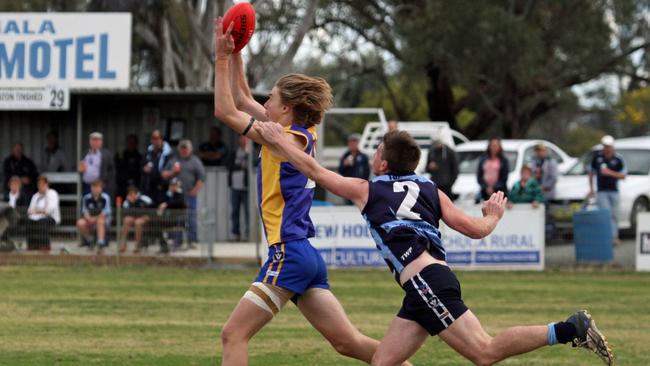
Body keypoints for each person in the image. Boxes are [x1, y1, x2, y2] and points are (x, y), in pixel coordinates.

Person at [255, 122, 614, 366]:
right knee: (382, 362)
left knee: (484, 353)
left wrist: (277, 141)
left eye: (378, 151)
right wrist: (495, 215)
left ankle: (570, 328)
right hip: (427, 284)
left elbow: (315, 171)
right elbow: (476, 230)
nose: (375, 156)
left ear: (381, 161)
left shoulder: (369, 189)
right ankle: (571, 328)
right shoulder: (431, 189)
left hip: (425, 284)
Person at [213, 19, 410, 366]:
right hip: (305, 255)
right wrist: (238, 50)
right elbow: (242, 97)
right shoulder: (293, 132)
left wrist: (221, 58)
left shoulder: (284, 139)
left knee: (233, 334)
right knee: (348, 343)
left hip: (288, 252)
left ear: (286, 108)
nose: (266, 101)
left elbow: (226, 110)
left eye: (271, 98)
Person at [162, 139, 205, 246]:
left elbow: (202, 177)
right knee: (176, 218)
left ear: (190, 150)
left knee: (191, 217)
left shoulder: (195, 161)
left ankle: (192, 240)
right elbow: (163, 174)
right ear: (179, 149)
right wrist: (173, 172)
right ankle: (177, 241)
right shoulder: (173, 160)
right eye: (182, 148)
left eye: (186, 149)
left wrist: (195, 190)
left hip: (189, 195)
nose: (184, 151)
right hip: (176, 196)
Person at [588, 135, 626, 246]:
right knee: (606, 214)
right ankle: (607, 237)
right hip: (602, 191)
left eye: (609, 146)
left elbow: (623, 175)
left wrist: (610, 173)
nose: (607, 148)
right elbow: (591, 172)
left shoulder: (618, 159)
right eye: (605, 146)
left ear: (612, 147)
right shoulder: (597, 158)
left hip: (614, 191)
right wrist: (591, 189)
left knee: (614, 215)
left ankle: (614, 237)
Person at [26, 176, 60, 251]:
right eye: (39, 184)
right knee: (28, 221)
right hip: (35, 217)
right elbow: (29, 210)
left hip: (51, 218)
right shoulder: (35, 196)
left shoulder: (52, 194)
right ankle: (32, 244)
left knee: (42, 221)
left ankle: (45, 245)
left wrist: (37, 211)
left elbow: (49, 210)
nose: (40, 186)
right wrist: (39, 211)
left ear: (46, 184)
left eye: (42, 184)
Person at [154, 178, 187, 253]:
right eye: (172, 185)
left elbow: (179, 203)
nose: (173, 187)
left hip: (177, 220)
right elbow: (160, 201)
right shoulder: (168, 194)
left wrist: (167, 203)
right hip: (167, 219)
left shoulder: (181, 194)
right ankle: (164, 246)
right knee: (154, 224)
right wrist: (168, 195)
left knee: (178, 224)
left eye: (175, 185)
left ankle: (177, 243)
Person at [77, 180, 112, 251]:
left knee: (100, 221)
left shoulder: (105, 197)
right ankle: (90, 241)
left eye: (97, 187)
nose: (95, 189)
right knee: (80, 223)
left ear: (101, 188)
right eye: (94, 187)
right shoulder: (86, 197)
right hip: (90, 219)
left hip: (103, 219)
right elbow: (85, 212)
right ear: (91, 188)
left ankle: (100, 243)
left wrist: (94, 219)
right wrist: (89, 218)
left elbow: (105, 213)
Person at [79, 132, 116, 198]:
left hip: (100, 187)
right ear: (90, 141)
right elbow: (80, 167)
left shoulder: (106, 154)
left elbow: (111, 170)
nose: (95, 142)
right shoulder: (85, 153)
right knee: (86, 203)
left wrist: (105, 182)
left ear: (101, 142)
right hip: (87, 186)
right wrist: (81, 169)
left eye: (97, 140)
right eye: (93, 140)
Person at [119, 185, 153, 253]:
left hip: (146, 218)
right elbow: (125, 213)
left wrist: (137, 200)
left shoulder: (144, 198)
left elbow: (152, 208)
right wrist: (131, 203)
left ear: (136, 193)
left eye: (132, 194)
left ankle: (138, 245)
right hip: (134, 217)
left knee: (138, 222)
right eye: (129, 194)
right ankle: (123, 244)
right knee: (126, 220)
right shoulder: (127, 201)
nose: (131, 196)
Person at [228, 135, 249, 241]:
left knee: (247, 211)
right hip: (235, 186)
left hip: (247, 187)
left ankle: (247, 234)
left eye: (246, 139)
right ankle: (235, 233)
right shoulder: (234, 152)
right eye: (242, 139)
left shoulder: (251, 152)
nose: (244, 141)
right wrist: (240, 166)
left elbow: (252, 164)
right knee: (235, 211)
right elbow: (229, 165)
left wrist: (247, 154)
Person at [476, 137, 509, 202]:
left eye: (496, 145)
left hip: (499, 191)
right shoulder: (483, 159)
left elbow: (504, 177)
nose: (494, 147)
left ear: (499, 147)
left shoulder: (503, 161)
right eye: (492, 145)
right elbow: (479, 176)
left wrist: (493, 187)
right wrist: (486, 187)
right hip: (485, 192)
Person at [1, 176, 31, 245]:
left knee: (6, 221)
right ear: (9, 185)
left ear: (20, 186)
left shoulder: (23, 196)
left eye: (16, 184)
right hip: (6, 216)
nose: (14, 186)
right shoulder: (6, 195)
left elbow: (25, 209)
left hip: (18, 217)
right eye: (13, 184)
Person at [114, 134, 143, 200]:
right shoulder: (120, 155)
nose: (131, 144)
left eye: (133, 143)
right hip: (122, 185)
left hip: (135, 185)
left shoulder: (139, 156)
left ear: (136, 144)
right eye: (129, 142)